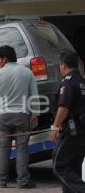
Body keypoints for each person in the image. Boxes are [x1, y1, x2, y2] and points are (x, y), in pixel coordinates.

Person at [0, 45, 39, 189]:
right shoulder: (27, 72)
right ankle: (23, 181)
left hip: (3, 117)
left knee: (4, 149)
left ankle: (2, 181)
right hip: (22, 116)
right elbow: (33, 96)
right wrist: (34, 114)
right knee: (22, 149)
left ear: (5, 58)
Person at [50, 49, 85, 193]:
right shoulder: (82, 82)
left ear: (63, 65)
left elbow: (63, 107)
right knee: (73, 168)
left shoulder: (68, 83)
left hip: (71, 131)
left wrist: (54, 127)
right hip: (81, 131)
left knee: (59, 165)